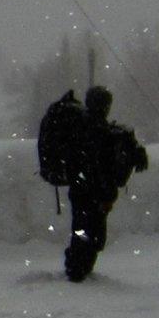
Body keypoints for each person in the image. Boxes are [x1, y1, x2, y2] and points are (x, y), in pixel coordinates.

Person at [40, 84, 148, 281]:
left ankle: (78, 269)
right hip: (90, 191)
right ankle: (76, 271)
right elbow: (98, 159)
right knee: (88, 234)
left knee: (88, 234)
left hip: (85, 190)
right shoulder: (92, 130)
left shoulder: (88, 128)